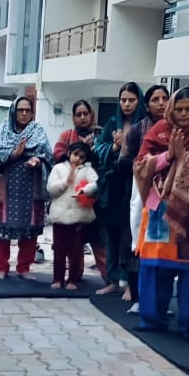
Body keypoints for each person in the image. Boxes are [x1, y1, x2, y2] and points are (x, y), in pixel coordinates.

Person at [133, 87, 189, 340]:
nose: (183, 114)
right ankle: (152, 319)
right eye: (179, 109)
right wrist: (169, 155)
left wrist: (185, 157)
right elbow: (140, 165)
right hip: (158, 210)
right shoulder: (158, 131)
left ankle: (188, 323)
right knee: (154, 268)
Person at [0, 96, 52, 279]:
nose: (24, 114)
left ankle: (24, 268)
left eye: (27, 110)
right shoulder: (3, 131)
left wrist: (38, 160)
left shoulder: (38, 131)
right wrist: (13, 154)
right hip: (5, 187)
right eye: (20, 110)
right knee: (1, 228)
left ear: (32, 113)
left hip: (30, 188)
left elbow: (49, 155)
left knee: (30, 229)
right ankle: (1, 267)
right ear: (13, 112)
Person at [93, 83, 146, 297]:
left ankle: (130, 283)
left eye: (131, 100)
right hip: (113, 187)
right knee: (112, 235)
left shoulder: (144, 124)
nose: (126, 104)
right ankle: (113, 279)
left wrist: (127, 144)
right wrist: (115, 147)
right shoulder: (112, 122)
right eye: (123, 100)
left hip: (134, 186)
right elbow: (99, 149)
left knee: (130, 234)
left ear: (139, 101)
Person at [122, 84, 170, 312]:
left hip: (171, 191)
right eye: (155, 99)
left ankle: (160, 302)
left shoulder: (179, 127)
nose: (161, 103)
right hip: (141, 188)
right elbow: (125, 159)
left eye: (164, 98)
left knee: (165, 246)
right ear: (147, 105)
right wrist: (148, 166)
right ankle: (139, 296)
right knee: (141, 240)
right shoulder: (139, 129)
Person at [52, 99, 108, 286]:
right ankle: (75, 276)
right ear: (73, 117)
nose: (82, 118)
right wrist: (78, 151)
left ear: (92, 115)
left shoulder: (100, 135)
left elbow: (105, 159)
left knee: (98, 239)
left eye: (86, 114)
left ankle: (109, 279)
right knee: (73, 242)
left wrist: (92, 151)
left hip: (95, 193)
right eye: (78, 114)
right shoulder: (67, 135)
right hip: (70, 197)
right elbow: (57, 154)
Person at [47, 142, 100, 290]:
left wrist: (84, 190)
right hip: (60, 217)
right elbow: (51, 189)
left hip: (79, 216)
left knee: (76, 251)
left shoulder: (87, 170)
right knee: (59, 250)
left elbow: (96, 183)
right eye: (75, 155)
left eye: (82, 157)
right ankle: (57, 279)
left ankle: (73, 280)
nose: (77, 159)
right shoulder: (58, 168)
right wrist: (65, 182)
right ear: (69, 153)